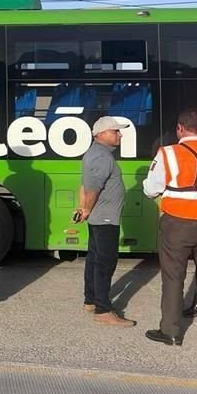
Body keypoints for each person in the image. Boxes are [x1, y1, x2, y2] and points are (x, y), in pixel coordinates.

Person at [142, 108, 197, 348]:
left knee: (173, 276)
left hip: (176, 223)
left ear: (179, 128)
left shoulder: (167, 153)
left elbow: (150, 189)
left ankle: (172, 332)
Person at [73, 117, 136, 327]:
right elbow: (93, 188)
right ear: (100, 134)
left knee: (94, 258)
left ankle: (90, 300)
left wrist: (84, 209)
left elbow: (85, 184)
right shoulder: (102, 157)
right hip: (105, 218)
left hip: (99, 217)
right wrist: (87, 208)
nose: (119, 134)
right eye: (115, 131)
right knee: (105, 262)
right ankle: (103, 309)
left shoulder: (94, 153)